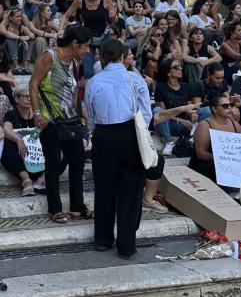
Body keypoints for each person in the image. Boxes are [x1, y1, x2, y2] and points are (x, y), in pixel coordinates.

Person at [84, 39, 151, 258]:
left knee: (104, 187)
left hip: (104, 135)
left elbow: (91, 115)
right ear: (123, 57)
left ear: (101, 57)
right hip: (130, 133)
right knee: (130, 191)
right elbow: (146, 113)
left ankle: (103, 238)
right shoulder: (135, 79)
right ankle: (127, 244)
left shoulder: (93, 82)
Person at [30, 25, 92, 223]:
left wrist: (83, 115)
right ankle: (55, 208)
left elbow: (73, 92)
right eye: (86, 46)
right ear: (75, 44)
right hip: (50, 121)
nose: (88, 51)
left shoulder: (73, 62)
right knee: (54, 163)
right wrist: (36, 112)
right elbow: (33, 84)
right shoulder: (50, 57)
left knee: (77, 162)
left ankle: (77, 206)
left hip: (71, 120)